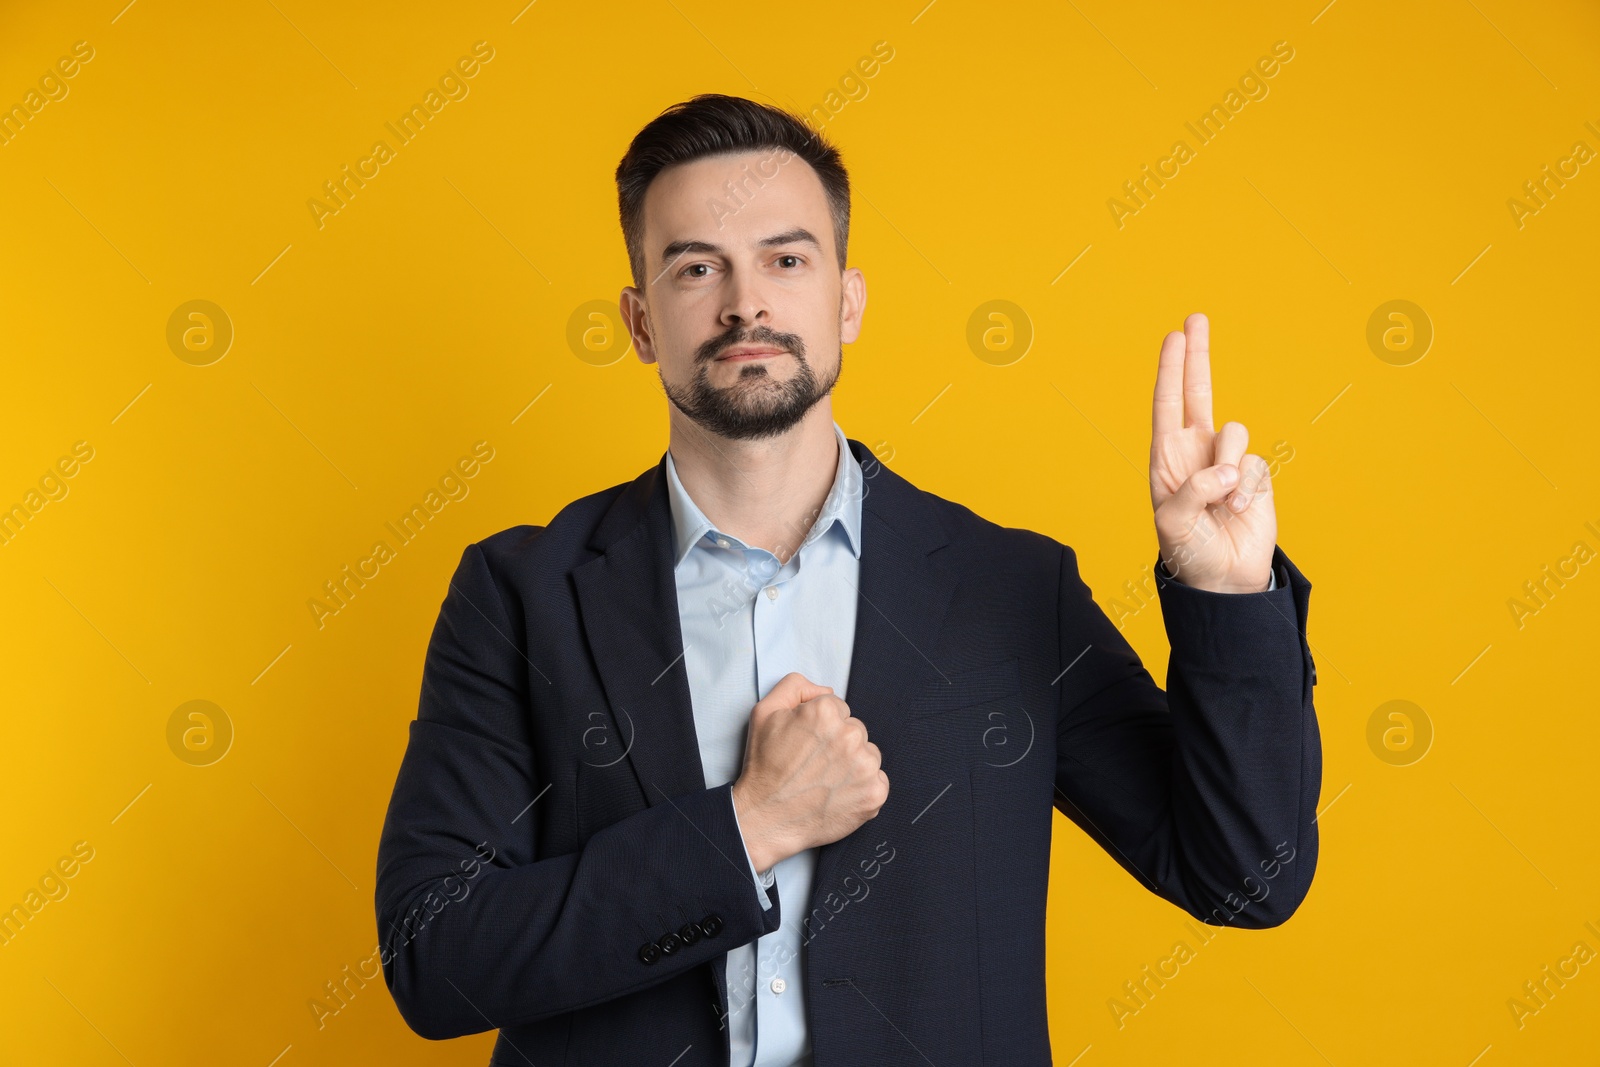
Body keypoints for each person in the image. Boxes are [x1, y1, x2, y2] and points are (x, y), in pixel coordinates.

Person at [375, 93, 1320, 1067]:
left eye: (786, 260)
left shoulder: (1010, 587)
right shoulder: (521, 593)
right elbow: (434, 952)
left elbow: (1247, 878)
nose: (747, 302)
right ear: (640, 319)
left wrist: (1224, 598)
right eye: (696, 266)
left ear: (847, 300)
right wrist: (746, 826)